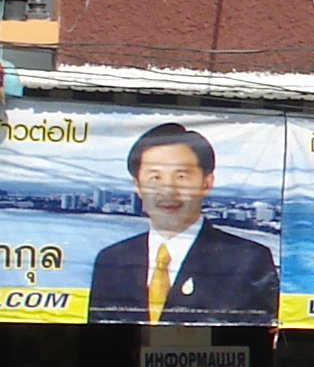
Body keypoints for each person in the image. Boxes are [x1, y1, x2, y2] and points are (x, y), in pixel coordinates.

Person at [89, 123, 280, 323]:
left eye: (181, 176)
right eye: (155, 177)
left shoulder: (247, 260)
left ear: (206, 183)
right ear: (137, 185)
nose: (168, 191)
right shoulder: (112, 260)